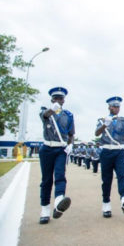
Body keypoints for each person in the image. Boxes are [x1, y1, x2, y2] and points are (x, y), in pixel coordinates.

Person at [95, 96, 124, 218]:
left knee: (122, 175)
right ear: (109, 107)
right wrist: (105, 125)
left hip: (119, 152)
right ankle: (106, 204)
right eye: (114, 106)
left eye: (118, 106)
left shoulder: (123, 121)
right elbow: (97, 133)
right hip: (106, 151)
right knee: (106, 180)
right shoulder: (102, 119)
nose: (116, 108)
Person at [38, 87, 74, 224]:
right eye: (56, 98)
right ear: (52, 99)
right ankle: (45, 210)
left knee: (60, 175)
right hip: (47, 148)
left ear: (64, 100)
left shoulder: (68, 115)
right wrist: (53, 109)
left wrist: (70, 144)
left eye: (61, 98)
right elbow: (46, 115)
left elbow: (71, 134)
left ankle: (59, 201)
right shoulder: (45, 111)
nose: (59, 100)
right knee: (46, 180)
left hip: (61, 149)